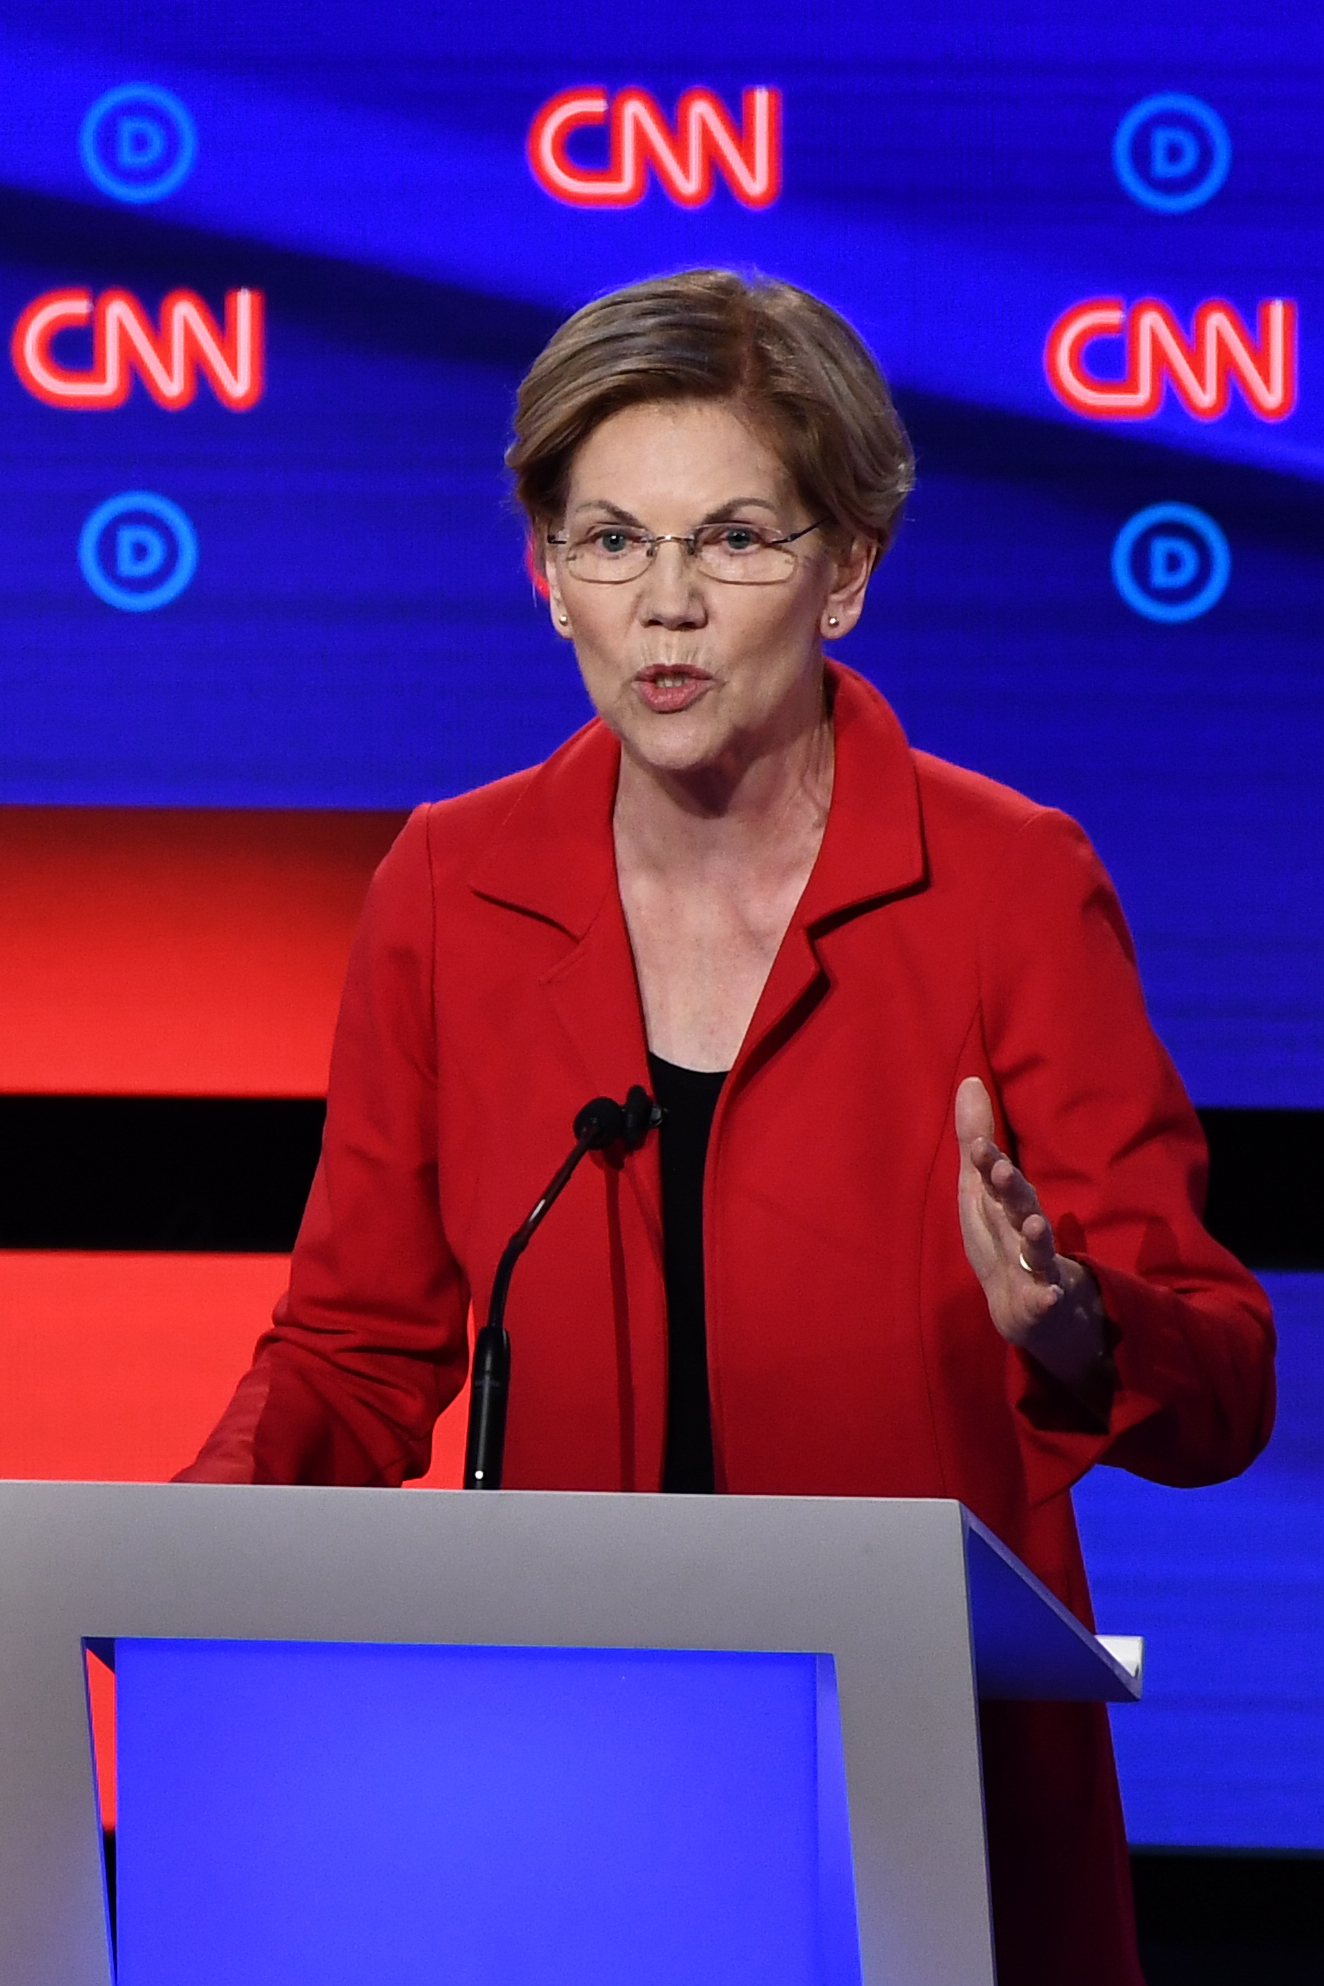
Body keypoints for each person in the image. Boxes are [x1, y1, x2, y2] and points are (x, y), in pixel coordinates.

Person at [179, 268, 1275, 1985]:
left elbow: (1224, 1380)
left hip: (927, 1799)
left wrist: (1075, 1325)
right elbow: (355, 1345)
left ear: (847, 569)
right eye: (610, 541)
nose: (668, 607)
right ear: (547, 578)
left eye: (737, 538)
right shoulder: (453, 887)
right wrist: (180, 1555)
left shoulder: (1007, 885)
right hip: (575, 1787)